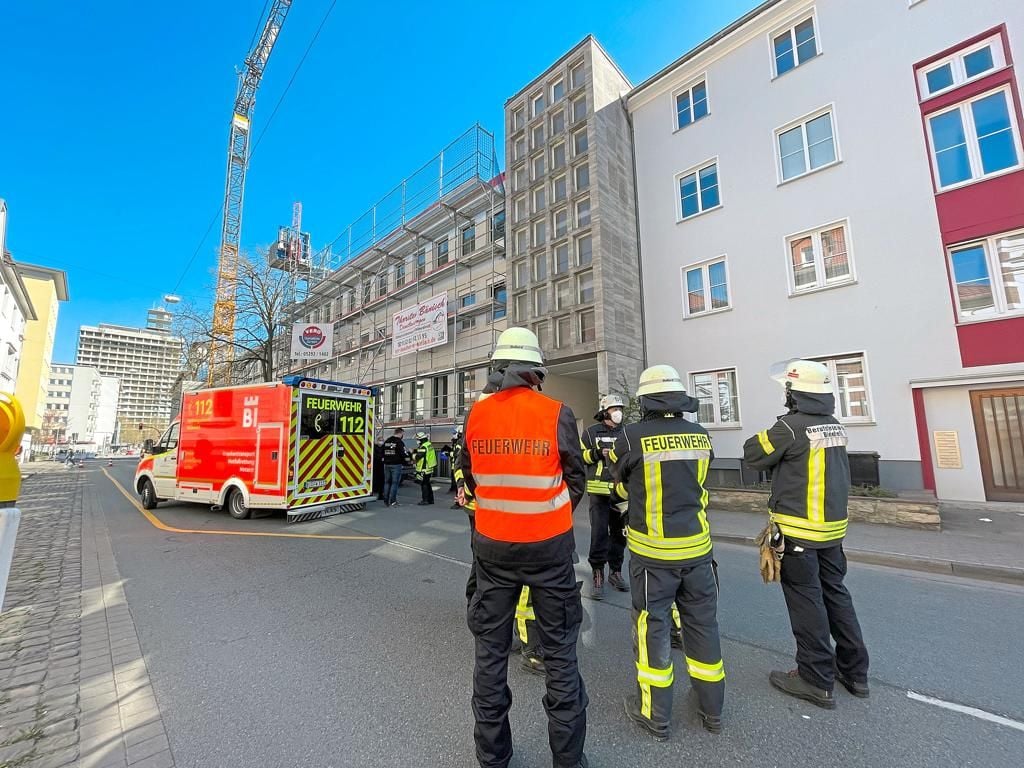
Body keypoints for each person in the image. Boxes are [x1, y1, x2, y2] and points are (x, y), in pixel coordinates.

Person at [459, 326, 589, 768]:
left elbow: (472, 478)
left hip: (493, 550)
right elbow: (576, 480)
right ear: (536, 372)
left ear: (499, 368)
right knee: (559, 655)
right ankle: (568, 761)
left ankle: (493, 759)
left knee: (491, 656)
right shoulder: (557, 412)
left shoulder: (475, 416)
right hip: (550, 550)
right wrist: (550, 513)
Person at [742, 359, 870, 709]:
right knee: (836, 595)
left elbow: (753, 455)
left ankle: (815, 678)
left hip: (799, 533)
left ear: (794, 393)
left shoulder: (790, 427)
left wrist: (774, 430)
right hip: (832, 532)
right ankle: (855, 672)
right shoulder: (833, 425)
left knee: (807, 601)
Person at [611, 364, 725, 738]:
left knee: (653, 629)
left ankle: (656, 716)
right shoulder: (700, 434)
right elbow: (700, 484)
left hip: (653, 556)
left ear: (645, 402)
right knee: (702, 626)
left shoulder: (630, 437)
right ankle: (712, 710)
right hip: (698, 551)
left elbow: (622, 489)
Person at [581, 394, 629, 599]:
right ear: (604, 412)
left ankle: (615, 572)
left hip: (622, 493)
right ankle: (598, 574)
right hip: (599, 493)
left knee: (619, 536)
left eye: (620, 408)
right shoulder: (591, 433)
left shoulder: (627, 432)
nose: (618, 412)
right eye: (614, 408)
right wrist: (599, 453)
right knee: (599, 535)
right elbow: (580, 456)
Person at [381, 428, 408, 507]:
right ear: (400, 433)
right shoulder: (399, 442)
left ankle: (386, 500)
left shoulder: (387, 441)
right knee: (394, 483)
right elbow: (403, 454)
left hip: (386, 464)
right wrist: (408, 461)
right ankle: (393, 501)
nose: (403, 436)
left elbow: (382, 452)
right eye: (403, 434)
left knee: (387, 482)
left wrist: (385, 460)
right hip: (396, 465)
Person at [413, 431, 437, 506]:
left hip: (424, 469)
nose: (417, 441)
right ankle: (430, 500)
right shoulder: (429, 444)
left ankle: (425, 500)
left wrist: (412, 454)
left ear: (421, 439)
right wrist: (416, 451)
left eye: (418, 439)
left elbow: (418, 457)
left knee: (424, 485)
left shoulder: (423, 446)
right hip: (429, 467)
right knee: (428, 484)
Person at [372, 434, 386, 501]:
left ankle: (381, 494)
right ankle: (373, 493)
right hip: (374, 465)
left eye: (382, 440)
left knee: (381, 480)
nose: (381, 442)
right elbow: (374, 455)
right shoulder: (374, 447)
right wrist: (381, 457)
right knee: (374, 480)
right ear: (377, 441)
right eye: (380, 440)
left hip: (381, 466)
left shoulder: (384, 447)